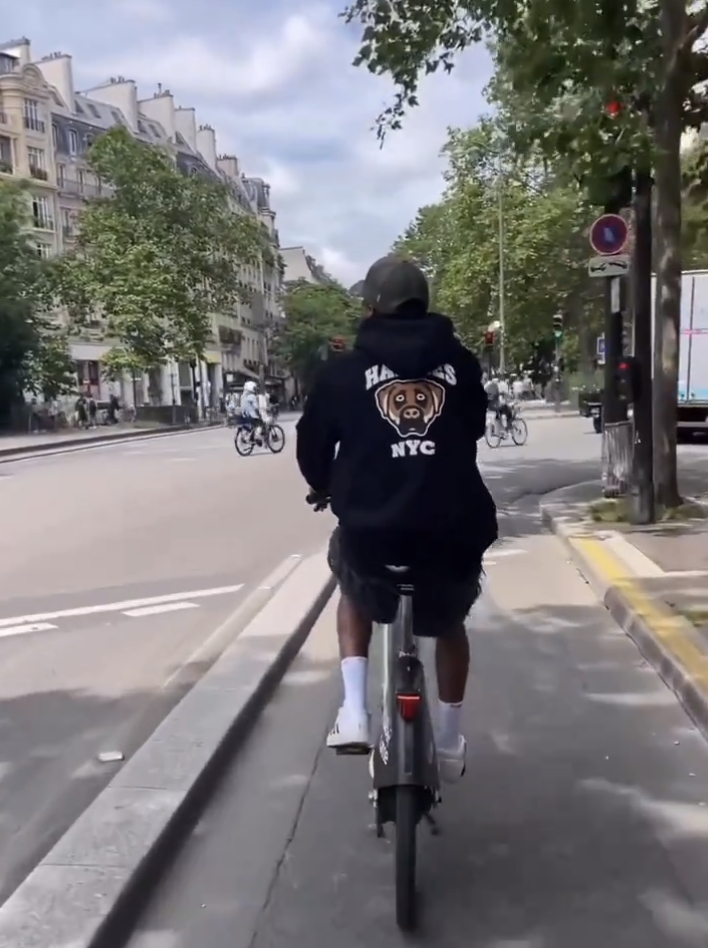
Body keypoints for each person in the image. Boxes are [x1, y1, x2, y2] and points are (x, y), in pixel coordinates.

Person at [296, 255, 497, 782]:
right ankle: (451, 738)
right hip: (451, 536)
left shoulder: (343, 372)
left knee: (350, 583)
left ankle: (355, 712)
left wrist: (323, 484)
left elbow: (312, 447)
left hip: (374, 538)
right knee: (450, 622)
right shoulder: (463, 363)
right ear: (426, 304)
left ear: (371, 307)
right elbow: (473, 428)